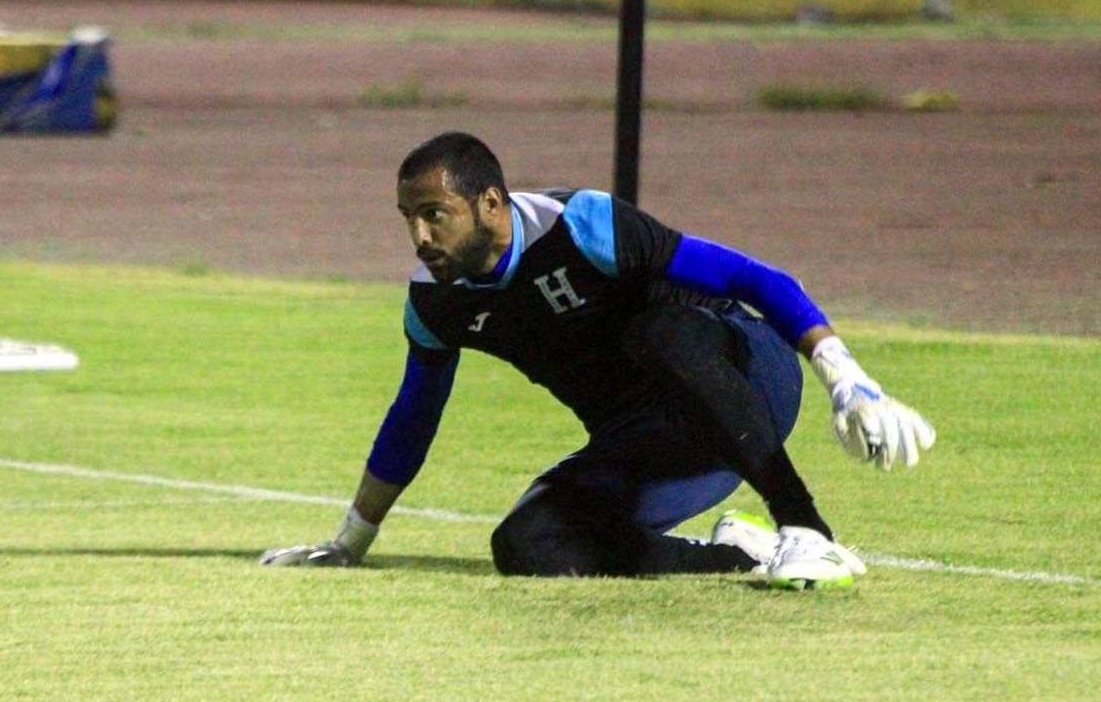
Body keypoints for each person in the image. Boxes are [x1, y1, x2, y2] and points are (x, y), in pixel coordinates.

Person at [261, 132, 935, 587]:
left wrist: (846, 378)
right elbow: (413, 417)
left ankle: (807, 530)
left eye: (435, 214)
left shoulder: (584, 225)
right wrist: (350, 541)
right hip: (654, 446)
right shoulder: (436, 306)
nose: (418, 236)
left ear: (490, 204)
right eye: (407, 217)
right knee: (524, 545)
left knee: (659, 333)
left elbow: (752, 279)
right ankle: (740, 555)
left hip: (745, 375)